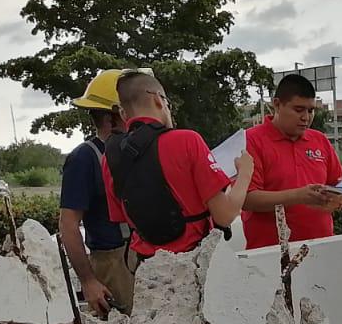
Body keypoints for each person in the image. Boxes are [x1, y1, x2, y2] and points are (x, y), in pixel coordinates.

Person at [101, 70, 253, 263]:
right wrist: (245, 173)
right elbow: (224, 215)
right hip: (191, 261)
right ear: (158, 100)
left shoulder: (110, 157)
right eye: (167, 103)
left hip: (146, 267)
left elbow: (122, 217)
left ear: (123, 114)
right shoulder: (186, 140)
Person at [243, 73, 342, 250]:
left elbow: (339, 184)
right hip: (270, 254)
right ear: (277, 104)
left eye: (311, 110)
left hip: (322, 247)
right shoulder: (251, 141)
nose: (306, 117)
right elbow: (246, 199)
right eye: (298, 110)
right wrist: (299, 196)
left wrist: (341, 197)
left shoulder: (320, 140)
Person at [57, 69, 130, 317]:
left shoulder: (133, 152)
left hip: (141, 254)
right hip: (113, 262)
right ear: (113, 117)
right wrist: (88, 281)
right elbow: (68, 224)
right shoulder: (85, 159)